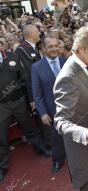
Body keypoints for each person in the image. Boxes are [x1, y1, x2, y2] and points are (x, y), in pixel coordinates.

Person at [53, 26, 88, 191]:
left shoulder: (82, 66)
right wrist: (86, 134)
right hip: (86, 156)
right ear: (81, 48)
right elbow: (60, 121)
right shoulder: (68, 77)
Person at [0, 43, 50, 183]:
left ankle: (41, 150)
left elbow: (24, 78)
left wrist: (31, 98)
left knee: (30, 129)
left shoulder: (12, 56)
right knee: (1, 137)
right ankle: (2, 167)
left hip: (19, 101)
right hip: (1, 106)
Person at [31, 35, 67, 173]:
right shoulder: (36, 67)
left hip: (70, 107)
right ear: (44, 49)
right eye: (50, 46)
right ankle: (58, 160)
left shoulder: (66, 61)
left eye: (56, 45)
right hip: (52, 110)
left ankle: (74, 156)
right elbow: (37, 94)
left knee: (72, 134)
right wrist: (43, 113)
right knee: (56, 137)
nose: (54, 49)